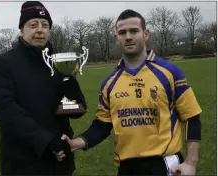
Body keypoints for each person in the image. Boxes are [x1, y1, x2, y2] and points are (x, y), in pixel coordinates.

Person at [63, 9, 202, 176]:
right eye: (122, 32)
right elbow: (103, 124)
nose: (128, 36)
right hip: (127, 168)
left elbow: (191, 116)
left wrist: (191, 163)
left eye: (134, 31)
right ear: (116, 38)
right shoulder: (109, 83)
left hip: (164, 164)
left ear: (146, 34)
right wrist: (76, 143)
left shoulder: (170, 72)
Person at [0, 1, 87, 176]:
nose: (40, 30)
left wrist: (69, 81)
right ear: (22, 29)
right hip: (23, 163)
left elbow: (77, 110)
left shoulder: (59, 62)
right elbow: (6, 111)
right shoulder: (4, 63)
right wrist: (46, 141)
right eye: (33, 25)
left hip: (60, 162)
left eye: (45, 25)